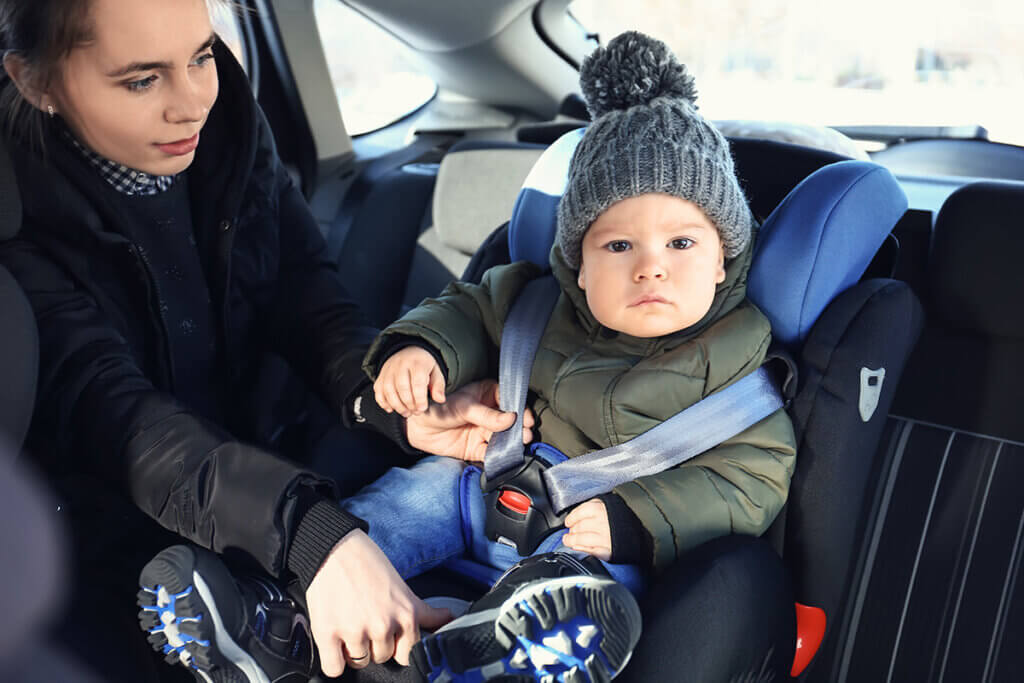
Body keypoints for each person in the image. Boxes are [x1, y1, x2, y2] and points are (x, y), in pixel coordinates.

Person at [0, 1, 528, 680]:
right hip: (132, 532)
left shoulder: (227, 125)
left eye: (200, 56)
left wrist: (388, 401)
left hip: (271, 456)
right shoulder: (17, 216)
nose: (192, 102)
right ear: (35, 81)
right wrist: (312, 539)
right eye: (141, 80)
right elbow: (122, 419)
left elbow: (302, 289)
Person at [352, 31, 798, 682]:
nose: (651, 268)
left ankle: (508, 651)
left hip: (597, 529)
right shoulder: (532, 298)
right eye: (619, 246)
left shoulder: (736, 362)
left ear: (724, 253)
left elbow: (752, 478)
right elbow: (467, 311)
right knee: (406, 500)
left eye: (681, 242)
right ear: (578, 264)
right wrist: (420, 349)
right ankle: (298, 588)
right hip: (479, 487)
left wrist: (640, 518)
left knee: (598, 586)